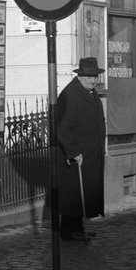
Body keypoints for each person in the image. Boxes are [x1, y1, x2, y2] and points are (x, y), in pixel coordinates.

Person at [55, 57, 106, 243]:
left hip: (90, 152)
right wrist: (73, 151)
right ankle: (69, 229)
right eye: (90, 76)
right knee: (74, 192)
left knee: (82, 192)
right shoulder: (71, 95)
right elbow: (61, 128)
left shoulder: (88, 91)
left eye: (95, 76)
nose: (93, 80)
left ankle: (78, 227)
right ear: (80, 76)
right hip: (78, 155)